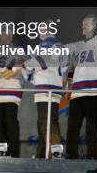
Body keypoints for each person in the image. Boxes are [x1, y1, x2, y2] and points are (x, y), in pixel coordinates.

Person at [66, 0, 97, 159]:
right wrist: (69, 81)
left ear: (94, 26)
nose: (82, 26)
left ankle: (93, 157)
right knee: (72, 126)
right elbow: (75, 68)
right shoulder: (79, 46)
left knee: (92, 127)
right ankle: (71, 156)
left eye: (86, 24)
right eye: (82, 24)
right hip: (77, 92)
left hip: (93, 90)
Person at [22, 20, 69, 158]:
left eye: (42, 27)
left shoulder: (47, 44)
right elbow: (64, 66)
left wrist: (25, 64)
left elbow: (42, 62)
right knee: (46, 121)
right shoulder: (58, 44)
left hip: (46, 87)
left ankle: (55, 153)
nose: (39, 30)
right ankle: (42, 154)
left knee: (46, 121)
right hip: (52, 86)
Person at [0, 26, 24, 157]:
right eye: (5, 32)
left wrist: (4, 74)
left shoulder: (18, 50)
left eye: (10, 32)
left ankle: (14, 154)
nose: (8, 35)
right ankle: (1, 152)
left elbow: (19, 68)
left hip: (11, 91)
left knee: (10, 123)